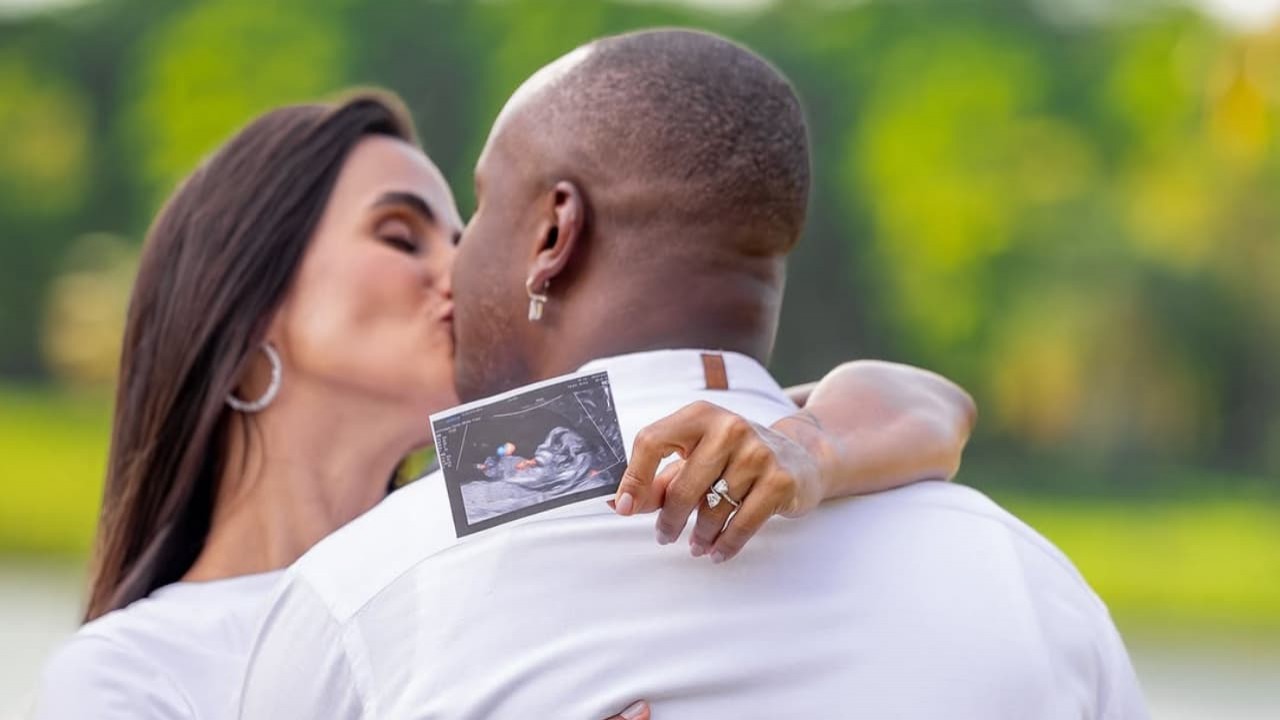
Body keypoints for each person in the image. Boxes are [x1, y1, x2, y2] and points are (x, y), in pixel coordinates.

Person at [239, 29, 1148, 719]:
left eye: (476, 209)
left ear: (554, 233)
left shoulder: (363, 596)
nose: (453, 265)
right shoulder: (1030, 584)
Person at [31, 91, 976, 718]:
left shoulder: (508, 475)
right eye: (400, 235)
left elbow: (925, 400)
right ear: (243, 316)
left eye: (463, 234)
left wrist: (809, 447)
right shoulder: (132, 673)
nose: (457, 271)